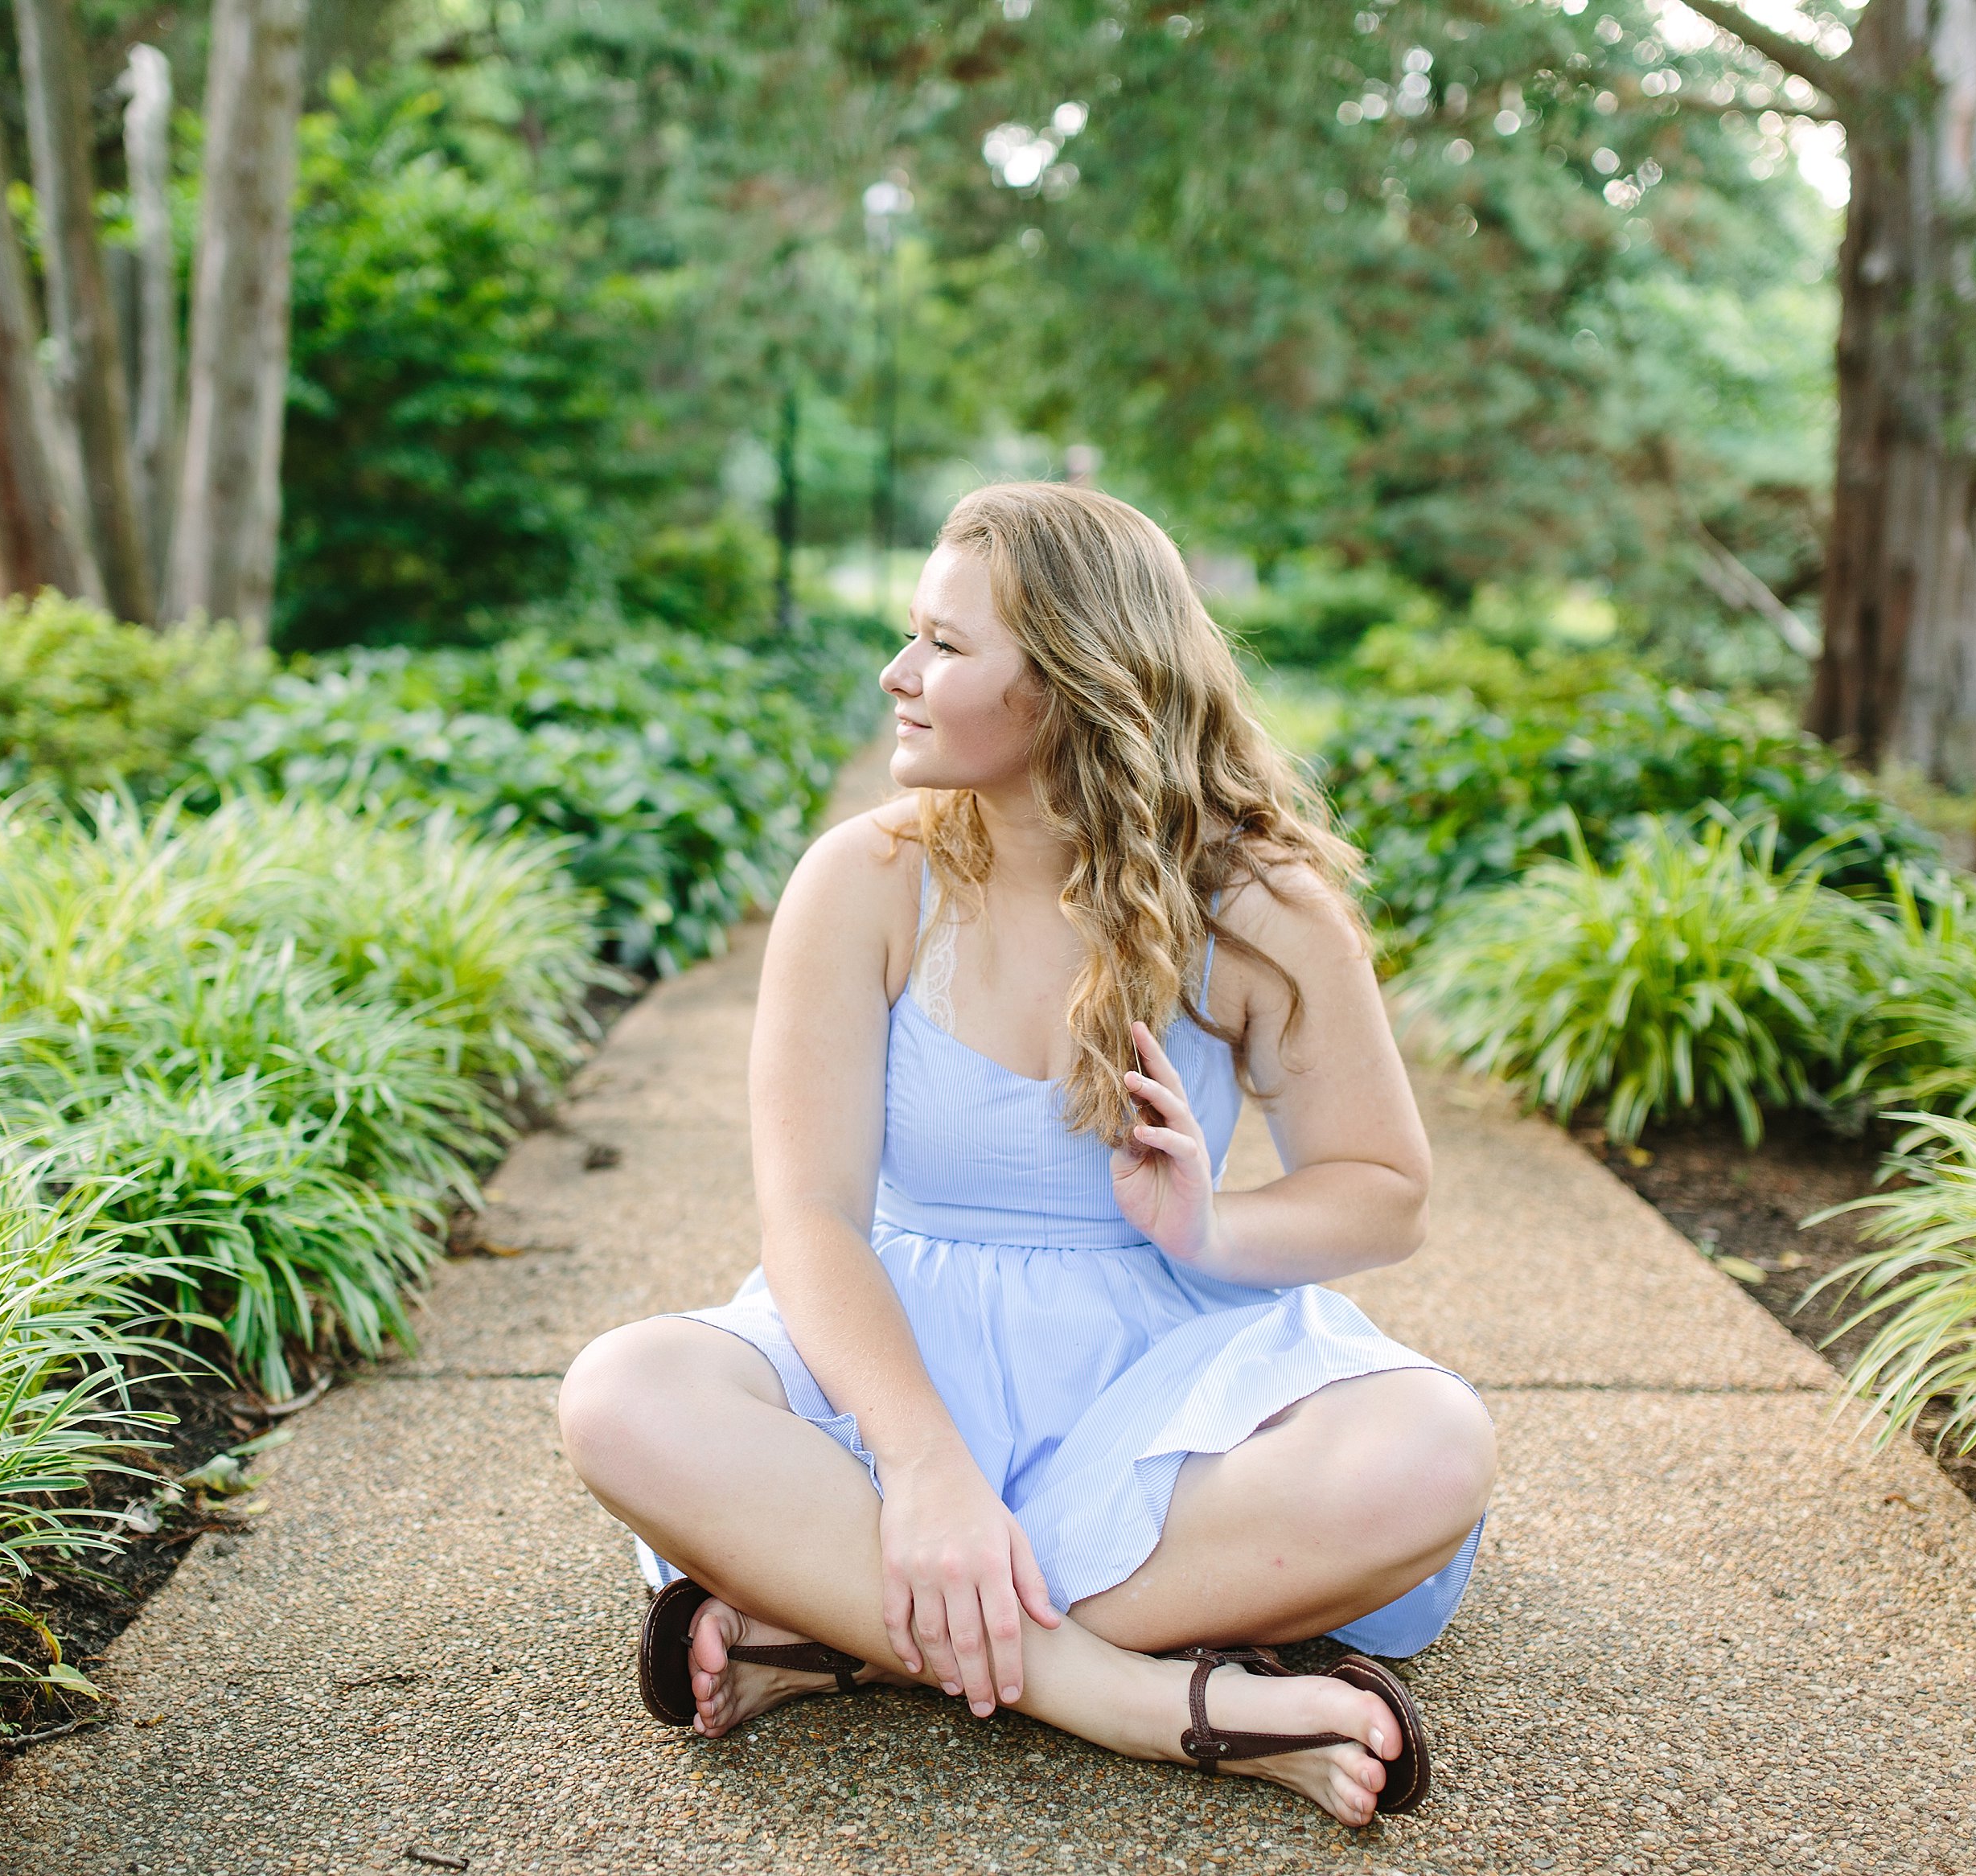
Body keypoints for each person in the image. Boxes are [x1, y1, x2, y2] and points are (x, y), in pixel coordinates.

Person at [557, 482, 1494, 1828]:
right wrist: (929, 1468)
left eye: (944, 644)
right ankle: (1144, 1701)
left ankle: (836, 1633)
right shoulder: (865, 880)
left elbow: (1385, 1192)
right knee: (622, 1391)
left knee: (1428, 1447)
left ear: (1066, 684)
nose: (898, 673)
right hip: (892, 1353)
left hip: (1165, 1360)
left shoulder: (1257, 904)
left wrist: (1207, 1232)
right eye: (912, 635)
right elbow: (810, 1219)